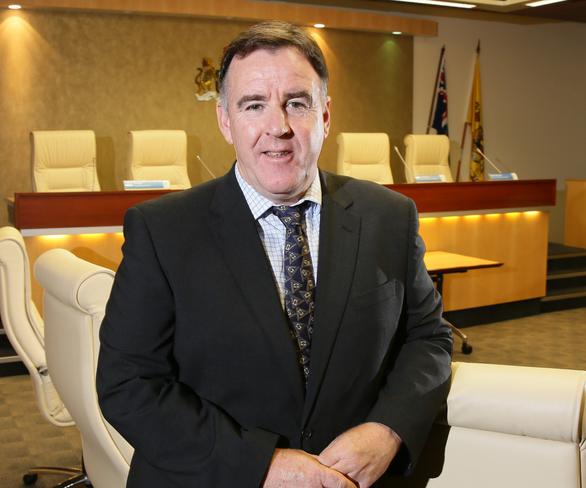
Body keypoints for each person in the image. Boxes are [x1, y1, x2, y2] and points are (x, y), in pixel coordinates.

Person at [97, 20, 452, 488]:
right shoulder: (162, 231)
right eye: (254, 105)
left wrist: (389, 429)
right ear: (226, 120)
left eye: (296, 103)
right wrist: (260, 464)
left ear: (325, 115)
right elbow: (128, 385)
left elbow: (428, 339)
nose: (277, 127)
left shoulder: (390, 216)